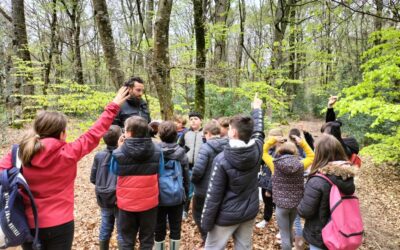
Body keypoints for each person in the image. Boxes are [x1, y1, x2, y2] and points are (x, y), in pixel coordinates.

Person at [0, 87, 130, 250]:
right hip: (61, 223)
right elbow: (94, 133)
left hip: (29, 224)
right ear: (62, 133)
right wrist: (114, 105)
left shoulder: (18, 153)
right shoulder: (69, 153)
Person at [201, 93, 264, 250]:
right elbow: (259, 131)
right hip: (249, 212)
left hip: (227, 215)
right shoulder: (257, 148)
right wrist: (257, 109)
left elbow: (213, 196)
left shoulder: (222, 160)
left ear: (234, 133)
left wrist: (206, 223)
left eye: (229, 128)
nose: (228, 130)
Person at [297, 134, 356, 250]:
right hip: (342, 233)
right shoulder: (346, 176)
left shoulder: (318, 180)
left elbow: (305, 211)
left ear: (320, 154)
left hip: (321, 236)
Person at [111, 116, 161, 250]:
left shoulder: (119, 151)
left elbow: (114, 170)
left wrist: (118, 149)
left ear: (129, 132)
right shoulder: (157, 149)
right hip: (150, 203)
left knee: (127, 239)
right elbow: (160, 170)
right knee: (147, 239)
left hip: (126, 204)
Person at [263, 134, 314, 250]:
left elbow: (263, 151)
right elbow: (312, 156)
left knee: (284, 233)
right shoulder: (301, 164)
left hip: (281, 205)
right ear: (295, 152)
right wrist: (302, 143)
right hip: (296, 204)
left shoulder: (274, 163)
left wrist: (273, 140)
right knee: (290, 228)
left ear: (280, 150)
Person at [191, 121, 228, 247]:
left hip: (203, 190)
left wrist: (193, 181)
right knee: (217, 213)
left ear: (207, 133)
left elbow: (198, 171)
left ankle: (207, 238)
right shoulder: (228, 145)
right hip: (222, 189)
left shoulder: (206, 147)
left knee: (198, 214)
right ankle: (216, 238)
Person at [155, 121, 190, 250]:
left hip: (158, 196)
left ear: (160, 135)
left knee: (159, 227)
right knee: (176, 228)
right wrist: (185, 194)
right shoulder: (181, 153)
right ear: (176, 135)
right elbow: (186, 177)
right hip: (177, 196)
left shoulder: (155, 151)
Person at [90, 125, 123, 250]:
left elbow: (93, 178)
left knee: (105, 225)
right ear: (120, 138)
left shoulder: (99, 156)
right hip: (119, 197)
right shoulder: (122, 154)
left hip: (104, 197)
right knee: (121, 229)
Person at [256, 128, 283, 230]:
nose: (269, 142)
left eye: (271, 140)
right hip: (265, 181)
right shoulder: (269, 150)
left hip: (273, 184)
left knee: (277, 206)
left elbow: (276, 172)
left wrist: (269, 188)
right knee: (267, 203)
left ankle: (281, 226)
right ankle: (266, 219)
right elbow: (261, 162)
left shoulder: (280, 152)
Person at [178, 111, 203, 220]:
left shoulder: (205, 133)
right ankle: (184, 210)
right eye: (191, 119)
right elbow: (179, 147)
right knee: (187, 189)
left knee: (201, 191)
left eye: (195, 118)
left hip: (202, 166)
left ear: (201, 120)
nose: (193, 121)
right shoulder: (185, 133)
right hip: (188, 166)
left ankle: (200, 212)